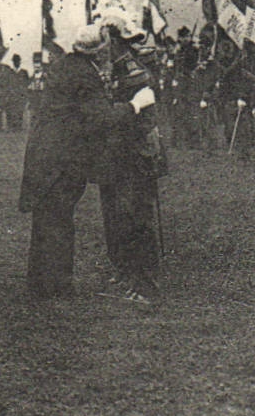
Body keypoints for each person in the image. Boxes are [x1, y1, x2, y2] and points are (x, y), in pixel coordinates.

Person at [18, 20, 156, 301]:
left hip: (46, 155)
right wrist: (136, 104)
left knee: (47, 220)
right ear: (99, 50)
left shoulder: (66, 65)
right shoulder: (84, 74)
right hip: (60, 160)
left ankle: (42, 285)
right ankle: (56, 288)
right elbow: (101, 118)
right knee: (57, 221)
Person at [94, 6, 168, 302]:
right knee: (116, 216)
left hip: (132, 156)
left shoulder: (133, 73)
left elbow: (140, 121)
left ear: (115, 41)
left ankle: (144, 283)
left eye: (106, 41)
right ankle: (125, 272)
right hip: (116, 155)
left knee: (134, 218)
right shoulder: (114, 69)